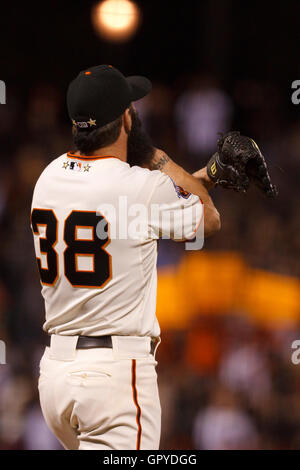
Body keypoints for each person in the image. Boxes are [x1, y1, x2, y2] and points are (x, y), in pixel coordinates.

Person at [30, 64, 220, 450]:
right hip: (112, 379)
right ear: (126, 120)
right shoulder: (139, 186)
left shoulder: (47, 177)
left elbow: (134, 205)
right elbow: (208, 218)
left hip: (56, 376)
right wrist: (156, 156)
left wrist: (209, 175)